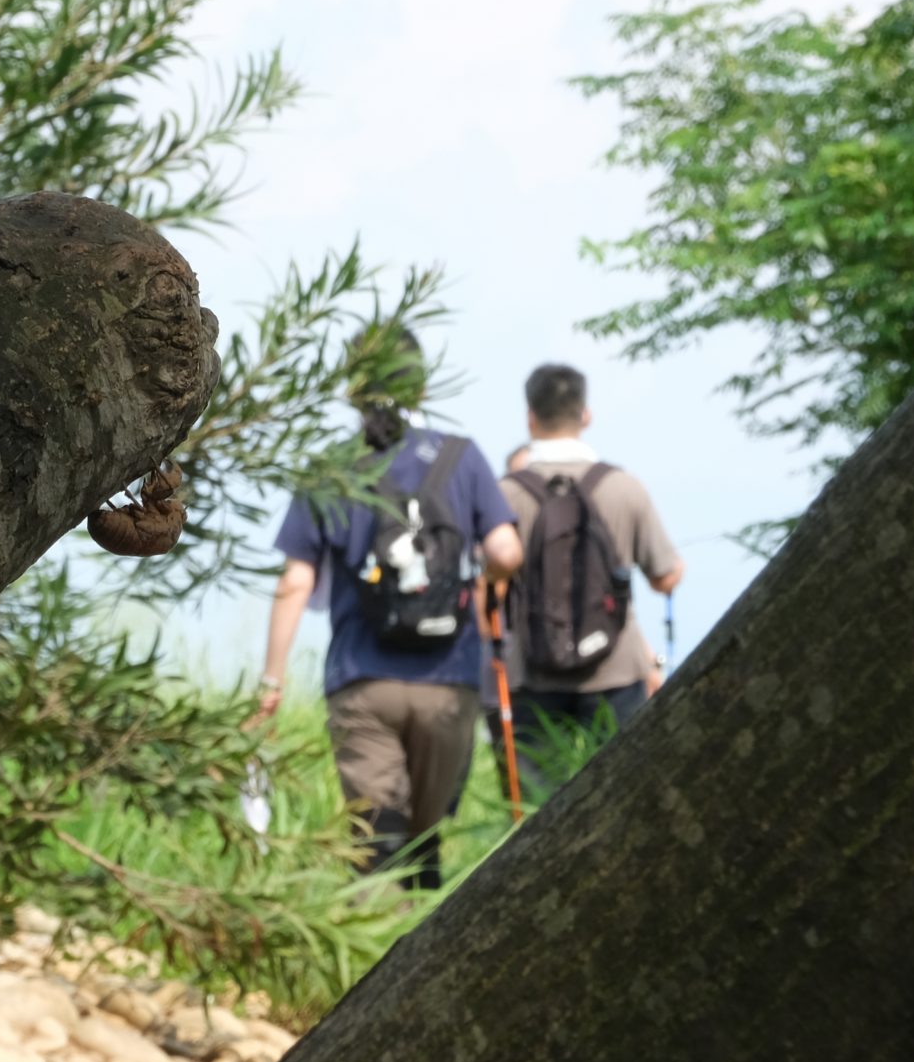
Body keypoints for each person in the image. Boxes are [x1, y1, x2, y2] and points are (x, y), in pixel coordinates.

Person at [254, 333, 522, 889]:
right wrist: (477, 584)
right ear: (422, 385)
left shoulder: (330, 469)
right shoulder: (460, 457)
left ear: (352, 390)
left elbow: (296, 581)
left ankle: (378, 942)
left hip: (362, 678)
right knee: (425, 840)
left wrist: (271, 681)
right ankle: (424, 935)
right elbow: (504, 552)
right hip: (448, 679)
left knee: (378, 839)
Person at [489, 363, 683, 793]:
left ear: (530, 418)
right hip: (616, 667)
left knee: (538, 810)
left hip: (531, 669)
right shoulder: (623, 487)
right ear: (586, 415)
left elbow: (490, 582)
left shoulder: (506, 493)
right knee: (626, 794)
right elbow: (665, 578)